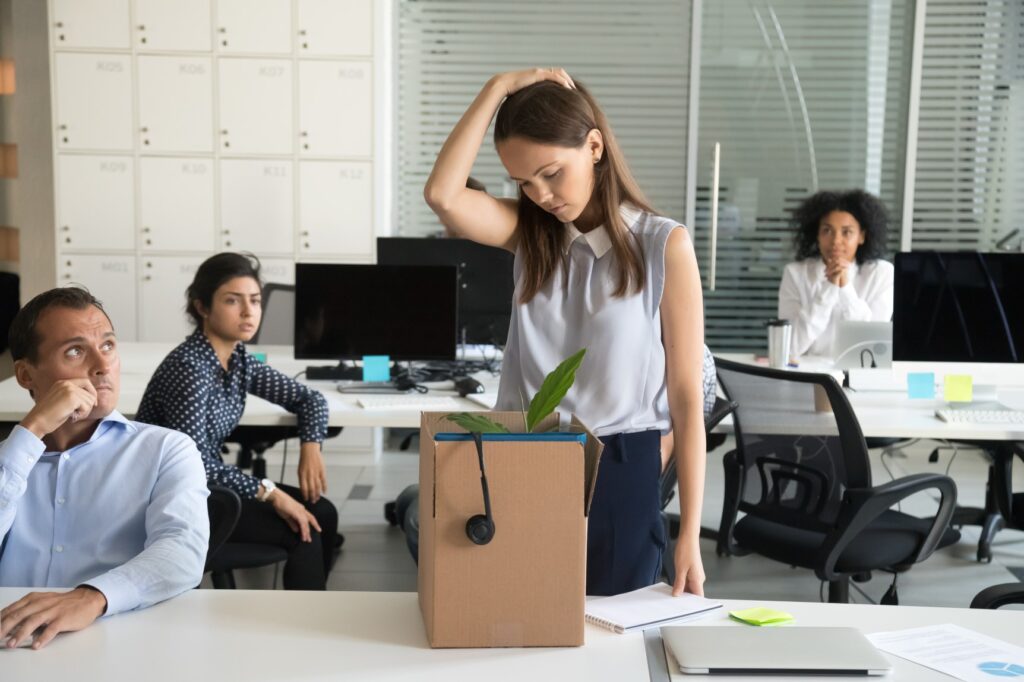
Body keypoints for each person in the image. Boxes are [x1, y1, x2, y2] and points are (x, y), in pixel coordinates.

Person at [424, 68, 715, 597]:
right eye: (523, 182)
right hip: (521, 454)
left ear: (595, 146)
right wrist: (496, 87)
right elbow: (443, 196)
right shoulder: (530, 238)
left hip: (619, 470)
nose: (540, 195)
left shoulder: (662, 245)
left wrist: (690, 533)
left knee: (608, 640)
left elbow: (687, 398)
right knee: (518, 619)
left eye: (551, 172)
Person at [0, 287, 209, 649]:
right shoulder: (10, 459)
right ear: (26, 375)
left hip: (116, 636)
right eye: (75, 351)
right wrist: (31, 430)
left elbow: (181, 551)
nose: (102, 365)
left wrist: (91, 597)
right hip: (11, 638)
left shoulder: (166, 449)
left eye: (109, 345)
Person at [136, 253, 338, 590]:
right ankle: (307, 630)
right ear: (202, 307)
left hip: (209, 486)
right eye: (233, 301)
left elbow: (310, 398)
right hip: (175, 496)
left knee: (324, 513)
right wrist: (270, 492)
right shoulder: (190, 368)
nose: (248, 312)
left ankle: (317, 609)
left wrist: (311, 446)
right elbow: (196, 464)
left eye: (255, 301)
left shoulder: (237, 358)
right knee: (304, 530)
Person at [778, 190, 894, 357]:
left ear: (861, 236)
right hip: (808, 376)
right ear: (816, 235)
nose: (836, 241)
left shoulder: (881, 274)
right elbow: (789, 348)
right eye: (827, 231)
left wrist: (845, 287)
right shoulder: (795, 273)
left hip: (859, 378)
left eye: (846, 232)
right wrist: (829, 287)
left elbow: (871, 350)